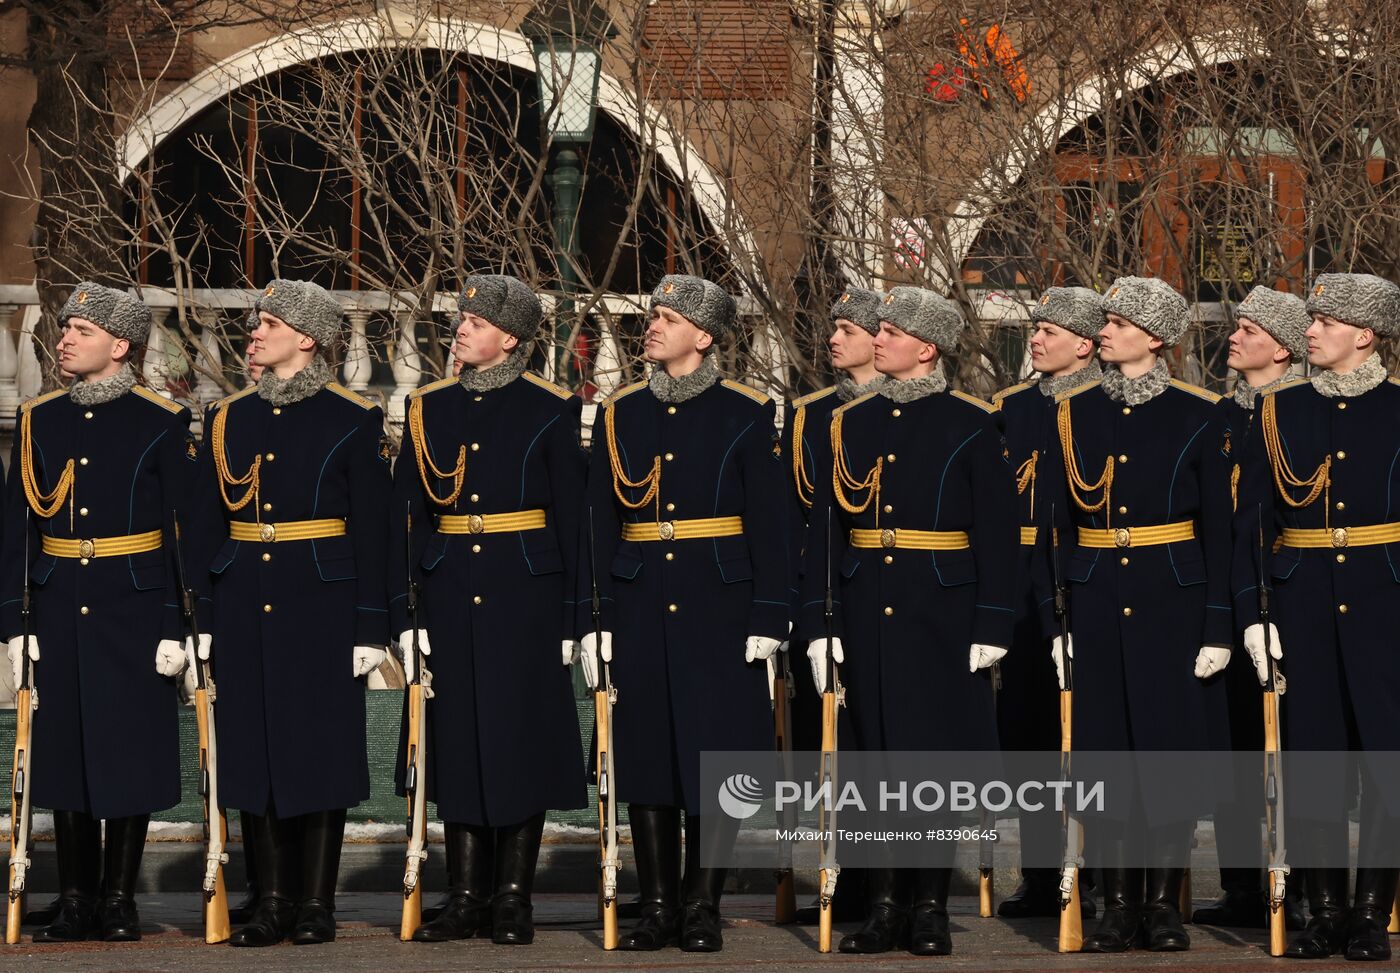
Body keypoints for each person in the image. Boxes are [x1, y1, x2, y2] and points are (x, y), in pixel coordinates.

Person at [800, 286, 1017, 955]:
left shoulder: (972, 422)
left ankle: (928, 906)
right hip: (867, 606)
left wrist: (992, 624)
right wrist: (820, 623)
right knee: (871, 762)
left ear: (927, 347)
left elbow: (999, 536)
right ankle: (884, 904)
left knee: (931, 763)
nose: (880, 337)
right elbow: (827, 533)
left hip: (941, 609)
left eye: (893, 331)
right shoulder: (849, 423)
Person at [578, 274, 789, 952]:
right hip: (639, 601)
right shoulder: (621, 412)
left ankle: (703, 902)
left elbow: (770, 525)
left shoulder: (747, 411)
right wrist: (597, 616)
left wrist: (768, 615)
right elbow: (601, 523)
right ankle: (659, 903)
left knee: (714, 757)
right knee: (647, 757)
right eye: (653, 313)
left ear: (704, 334)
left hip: (719, 603)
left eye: (667, 316)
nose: (653, 324)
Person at [186, 279, 391, 947]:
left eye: (269, 322)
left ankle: (315, 902)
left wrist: (370, 626)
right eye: (256, 321)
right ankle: (270, 899)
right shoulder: (228, 417)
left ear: (306, 336)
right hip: (245, 596)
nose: (255, 331)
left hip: (321, 602)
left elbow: (373, 531)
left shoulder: (352, 417)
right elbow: (206, 526)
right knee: (253, 751)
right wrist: (205, 615)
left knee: (319, 750)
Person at [1039, 276, 1234, 953]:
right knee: (1104, 758)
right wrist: (1054, 622)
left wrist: (1217, 625)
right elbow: (1054, 528)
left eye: (1119, 322)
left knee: (1166, 756)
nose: (1106, 331)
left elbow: (1220, 529)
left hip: (1172, 599)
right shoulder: (1072, 412)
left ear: (1155, 336)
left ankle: (1161, 903)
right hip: (1093, 599)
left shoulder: (1202, 413)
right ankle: (1116, 903)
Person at [390, 274, 587, 944]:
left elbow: (573, 521)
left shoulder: (550, 407)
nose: (462, 328)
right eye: (462, 318)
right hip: (448, 589)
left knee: (519, 739)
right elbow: (409, 518)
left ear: (511, 336)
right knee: (458, 739)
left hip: (525, 590)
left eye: (476, 321)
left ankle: (512, 896)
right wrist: (407, 612)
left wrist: (572, 621)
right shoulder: (428, 407)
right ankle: (467, 892)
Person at [2, 282, 193, 942]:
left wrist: (177, 627)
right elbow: (16, 528)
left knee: (130, 751)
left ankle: (118, 898)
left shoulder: (161, 421)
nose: (63, 339)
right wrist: (16, 622)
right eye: (65, 329)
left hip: (134, 606)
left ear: (119, 346)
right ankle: (78, 895)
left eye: (79, 331)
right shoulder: (39, 420)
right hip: (59, 606)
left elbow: (181, 534)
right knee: (67, 752)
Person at [1232, 272, 1400, 962]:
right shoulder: (1277, 411)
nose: (1309, 331)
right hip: (1300, 604)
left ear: (1365, 333)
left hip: (1387, 602)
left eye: (1324, 322)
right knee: (1313, 760)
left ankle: (1370, 911)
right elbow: (1250, 525)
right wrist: (1253, 614)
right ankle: (1326, 910)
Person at [1192, 285, 1309, 931]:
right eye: (1234, 326)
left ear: (1283, 347)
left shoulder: (1303, 413)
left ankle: (1299, 881)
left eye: (1249, 330)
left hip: (1286, 593)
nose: (1233, 337)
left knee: (1294, 747)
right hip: (1222, 599)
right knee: (1234, 747)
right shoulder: (1219, 418)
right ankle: (1242, 883)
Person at [990, 286, 1102, 918]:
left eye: (1049, 331)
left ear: (1084, 344)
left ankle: (1097, 872)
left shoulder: (1106, 404)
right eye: (1034, 328)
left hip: (1085, 573)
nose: (1034, 339)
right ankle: (1038, 871)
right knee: (1031, 730)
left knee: (1090, 733)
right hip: (1023, 578)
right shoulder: (1009, 408)